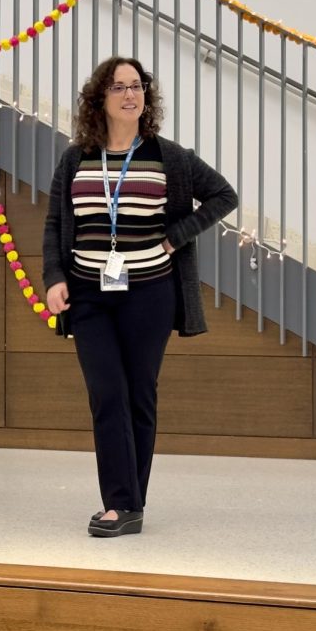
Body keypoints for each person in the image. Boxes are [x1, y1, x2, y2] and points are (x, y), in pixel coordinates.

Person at [42, 56, 237, 537]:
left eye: (137, 86)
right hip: (89, 292)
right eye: (118, 86)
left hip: (150, 291)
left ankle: (129, 504)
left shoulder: (168, 156)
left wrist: (175, 237)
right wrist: (53, 277)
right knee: (106, 392)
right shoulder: (77, 158)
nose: (130, 94)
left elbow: (223, 195)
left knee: (139, 395)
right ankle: (120, 502)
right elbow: (54, 224)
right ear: (99, 98)